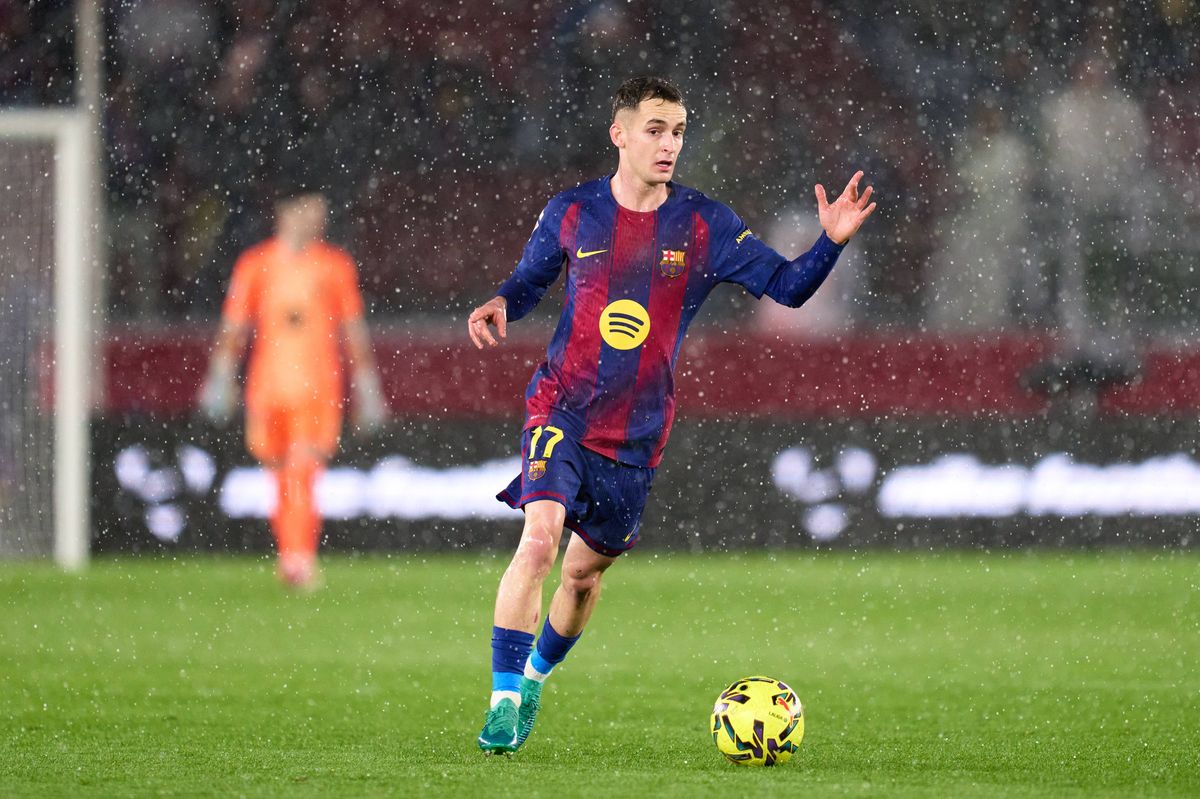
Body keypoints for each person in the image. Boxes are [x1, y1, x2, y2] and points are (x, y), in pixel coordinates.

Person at [466, 76, 876, 753]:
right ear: (619, 133)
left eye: (679, 131)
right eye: (655, 129)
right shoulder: (572, 212)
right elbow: (532, 277)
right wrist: (503, 302)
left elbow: (789, 287)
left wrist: (829, 242)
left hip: (635, 437)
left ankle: (536, 674)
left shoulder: (703, 223)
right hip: (561, 407)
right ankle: (504, 701)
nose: (669, 144)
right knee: (539, 540)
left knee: (581, 575)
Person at [198, 188, 387, 588]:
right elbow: (235, 327)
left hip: (318, 389)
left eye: (320, 211)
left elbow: (352, 331)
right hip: (268, 388)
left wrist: (366, 387)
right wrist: (220, 378)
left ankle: (299, 559)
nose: (316, 219)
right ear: (286, 211)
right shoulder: (255, 265)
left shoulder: (335, 266)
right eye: (308, 209)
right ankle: (291, 555)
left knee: (304, 471)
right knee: (281, 477)